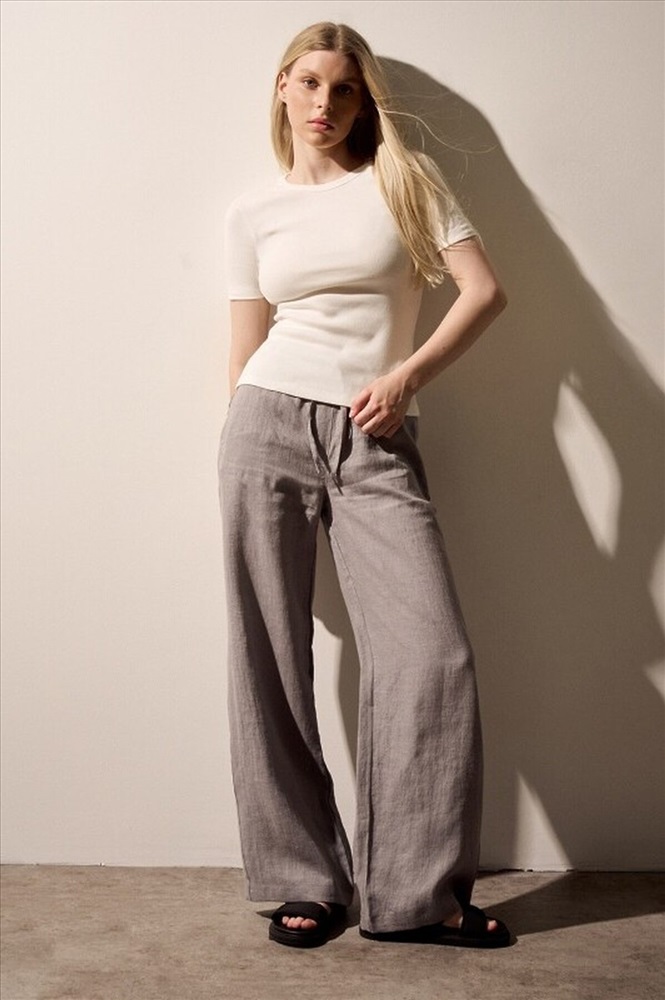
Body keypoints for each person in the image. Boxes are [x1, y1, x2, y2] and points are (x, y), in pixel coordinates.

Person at [218, 21, 511, 949]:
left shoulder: (402, 181)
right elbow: (243, 350)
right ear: (281, 87)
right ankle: (303, 878)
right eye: (309, 83)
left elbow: (483, 292)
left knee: (431, 656)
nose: (324, 103)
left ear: (362, 100)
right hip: (265, 423)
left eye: (343, 89)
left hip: (373, 432)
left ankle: (417, 897)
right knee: (267, 657)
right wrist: (242, 429)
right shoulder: (251, 214)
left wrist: (406, 379)